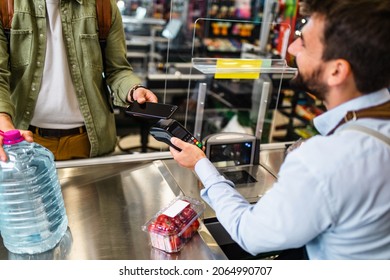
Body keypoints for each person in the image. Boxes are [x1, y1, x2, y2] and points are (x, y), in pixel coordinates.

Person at [170, 0, 390, 259]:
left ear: (337, 71)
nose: (293, 47)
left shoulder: (325, 160)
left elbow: (248, 232)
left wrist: (201, 165)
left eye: (304, 43)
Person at [0, 0, 158, 161]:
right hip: (24, 139)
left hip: (89, 141)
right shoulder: (6, 6)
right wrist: (3, 120)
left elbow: (118, 69)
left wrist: (133, 89)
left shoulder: (102, 6)